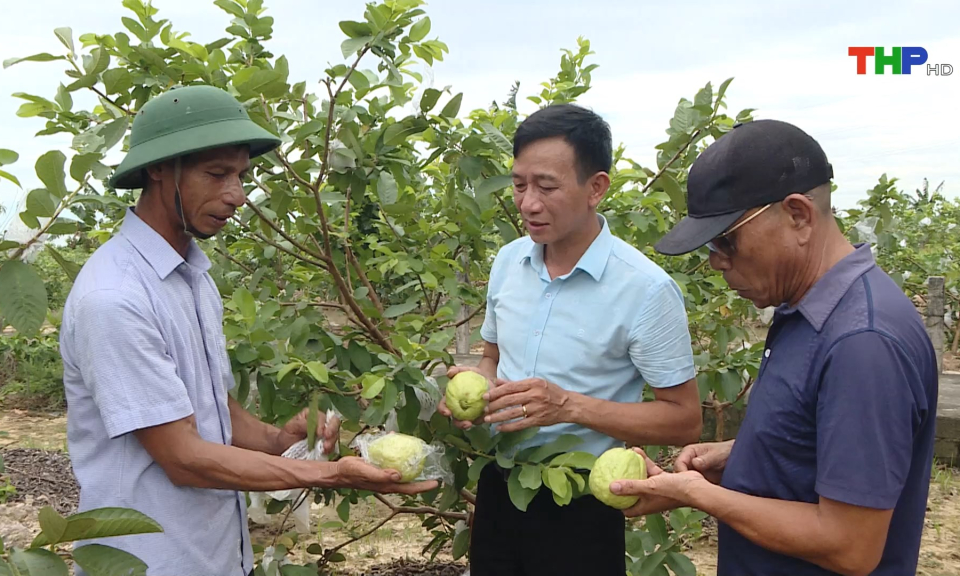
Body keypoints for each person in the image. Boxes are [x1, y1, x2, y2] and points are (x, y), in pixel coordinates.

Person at [60, 85, 437, 576]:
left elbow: (214, 411)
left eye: (240, 175)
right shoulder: (114, 297)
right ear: (158, 169)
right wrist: (332, 474)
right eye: (217, 174)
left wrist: (281, 439)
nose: (237, 195)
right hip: (150, 561)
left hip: (216, 554)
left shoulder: (193, 277)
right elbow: (184, 458)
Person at [609, 119, 939, 576]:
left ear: (798, 215)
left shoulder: (862, 341)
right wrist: (748, 455)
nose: (716, 263)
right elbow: (823, 445)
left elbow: (850, 545)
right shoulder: (807, 309)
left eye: (727, 240)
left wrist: (697, 494)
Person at [437, 103, 703, 576]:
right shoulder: (508, 262)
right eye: (519, 184)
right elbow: (492, 358)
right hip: (502, 486)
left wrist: (567, 407)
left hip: (583, 500)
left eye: (547, 186)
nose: (528, 203)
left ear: (596, 188)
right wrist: (476, 390)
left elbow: (683, 420)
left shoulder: (645, 289)